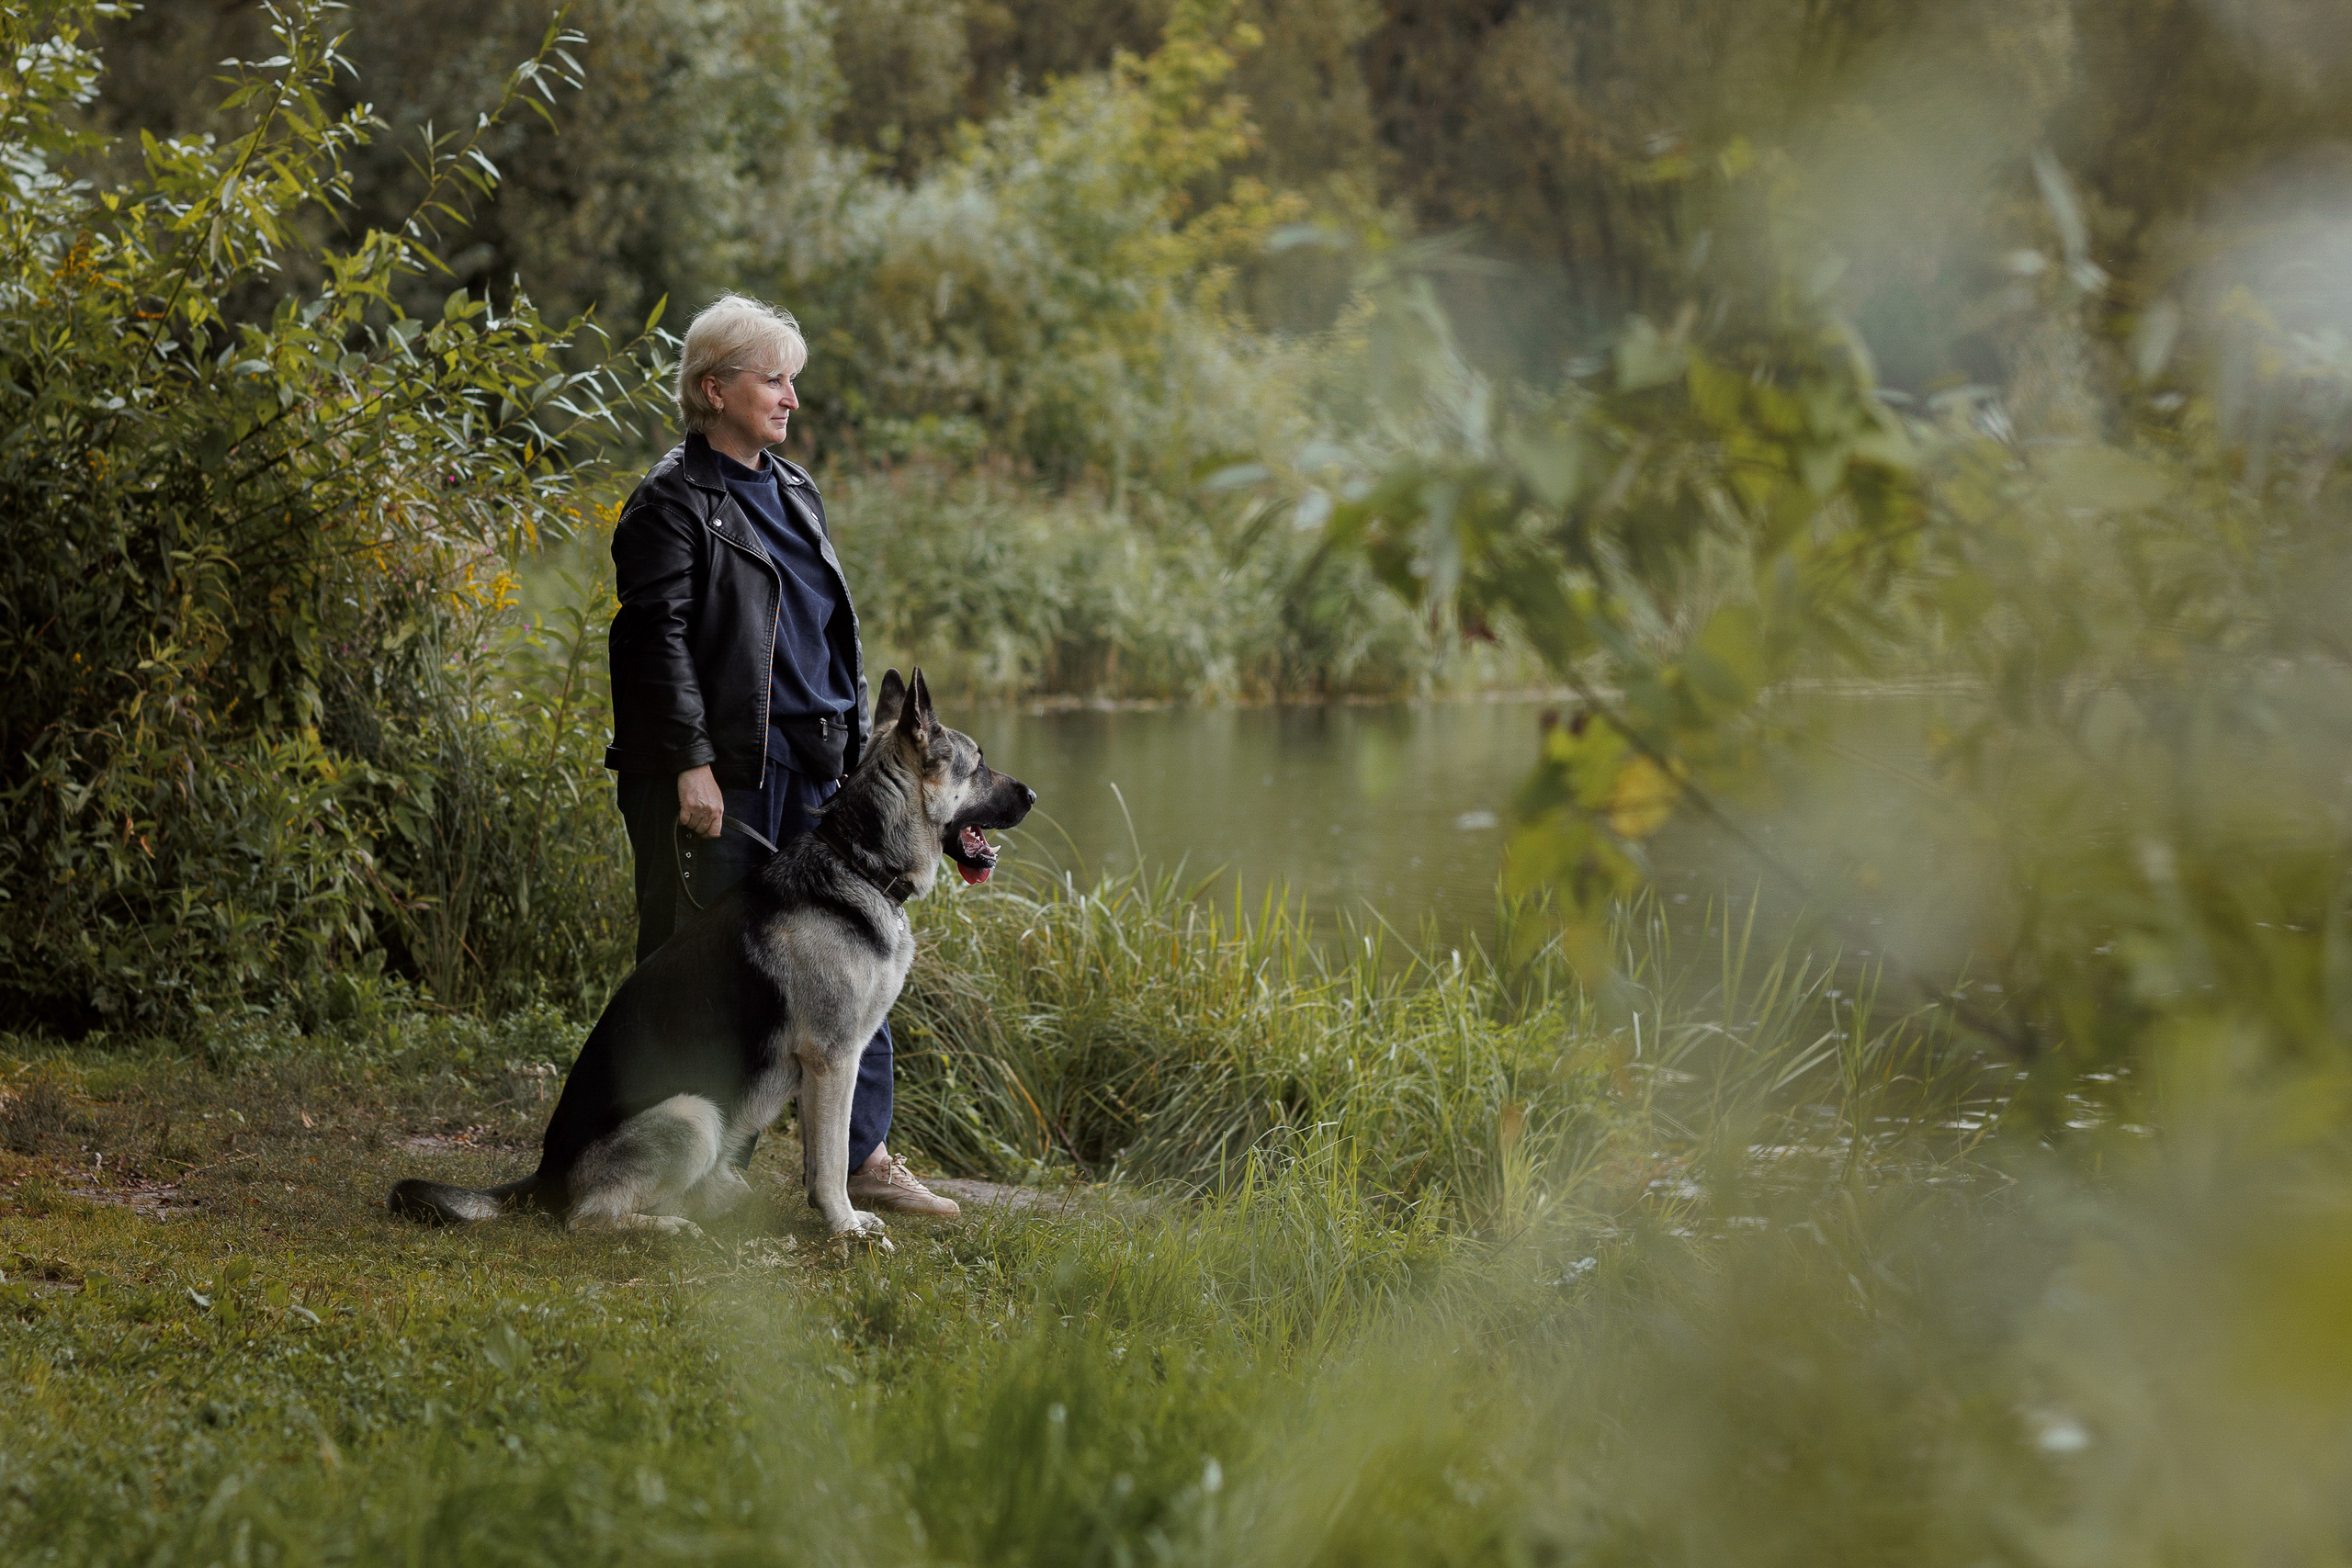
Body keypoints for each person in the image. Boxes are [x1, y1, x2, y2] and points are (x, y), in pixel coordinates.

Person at [602, 292, 957, 1219]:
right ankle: (665, 1164)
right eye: (773, 379)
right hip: (723, 775)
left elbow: (823, 629)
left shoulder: (795, 491)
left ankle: (861, 1157)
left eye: (793, 380)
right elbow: (657, 642)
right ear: (713, 389)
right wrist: (688, 763)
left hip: (821, 771)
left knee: (858, 948)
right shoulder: (669, 502)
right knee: (701, 971)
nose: (790, 396)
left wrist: (853, 754)